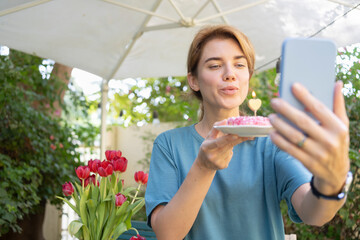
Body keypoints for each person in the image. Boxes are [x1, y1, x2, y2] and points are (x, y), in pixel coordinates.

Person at [145, 25, 351, 240]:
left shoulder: (273, 141)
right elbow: (167, 234)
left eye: (239, 65)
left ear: (248, 76)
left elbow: (314, 214)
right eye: (215, 65)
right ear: (194, 80)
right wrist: (203, 167)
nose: (230, 74)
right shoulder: (169, 145)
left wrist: (332, 181)